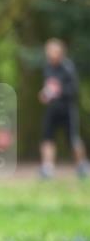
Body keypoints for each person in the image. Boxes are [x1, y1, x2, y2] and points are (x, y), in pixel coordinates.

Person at [39, 38, 89, 179]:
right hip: (52, 109)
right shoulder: (48, 67)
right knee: (47, 138)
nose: (49, 54)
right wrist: (44, 94)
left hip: (67, 109)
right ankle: (47, 168)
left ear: (60, 52)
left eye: (52, 51)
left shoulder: (67, 68)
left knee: (73, 139)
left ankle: (82, 166)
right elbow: (48, 87)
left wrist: (60, 91)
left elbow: (74, 90)